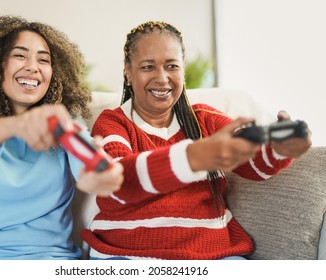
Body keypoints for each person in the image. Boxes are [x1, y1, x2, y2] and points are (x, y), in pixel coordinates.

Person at [81, 21, 311, 260]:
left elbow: (253, 164)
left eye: (172, 66)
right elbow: (119, 183)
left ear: (183, 69)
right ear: (128, 71)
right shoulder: (112, 123)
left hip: (211, 254)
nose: (162, 78)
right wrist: (193, 157)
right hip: (127, 255)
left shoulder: (205, 120)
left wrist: (280, 150)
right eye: (148, 67)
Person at [0, 15, 123, 260]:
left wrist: (100, 175)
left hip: (52, 261)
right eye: (19, 55)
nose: (33, 66)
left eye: (43, 60)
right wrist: (19, 125)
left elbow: (89, 166)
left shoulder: (65, 122)